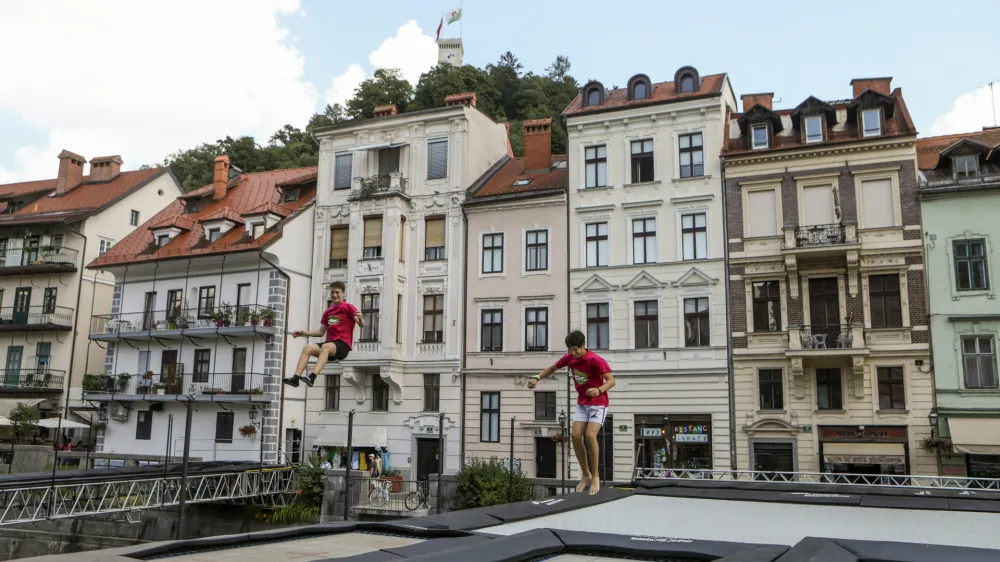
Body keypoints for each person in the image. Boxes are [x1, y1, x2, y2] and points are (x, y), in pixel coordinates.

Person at [528, 330, 615, 495]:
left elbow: (611, 380)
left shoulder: (596, 360)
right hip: (582, 403)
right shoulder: (570, 358)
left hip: (598, 404)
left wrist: (599, 389)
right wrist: (537, 378)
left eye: (576, 349)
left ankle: (595, 475)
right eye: (570, 350)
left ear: (583, 345)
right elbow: (553, 367)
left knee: (590, 436)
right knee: (575, 436)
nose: (573, 353)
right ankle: (586, 474)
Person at [283, 281, 364, 388]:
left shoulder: (348, 307)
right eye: (332, 292)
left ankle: (312, 377)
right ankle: (295, 378)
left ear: (343, 293)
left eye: (337, 292)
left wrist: (361, 319)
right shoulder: (328, 311)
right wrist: (302, 332)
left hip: (342, 346)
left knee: (326, 347)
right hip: (330, 346)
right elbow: (320, 332)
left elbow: (361, 324)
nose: (334, 295)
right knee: (307, 348)